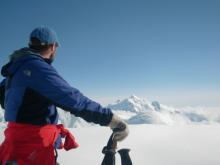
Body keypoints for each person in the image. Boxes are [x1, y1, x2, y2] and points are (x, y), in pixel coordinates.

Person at [0, 26, 129, 165]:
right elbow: (73, 99)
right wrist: (112, 120)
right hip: (33, 151)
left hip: (15, 146)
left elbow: (6, 102)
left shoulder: (14, 72)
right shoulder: (37, 68)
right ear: (53, 46)